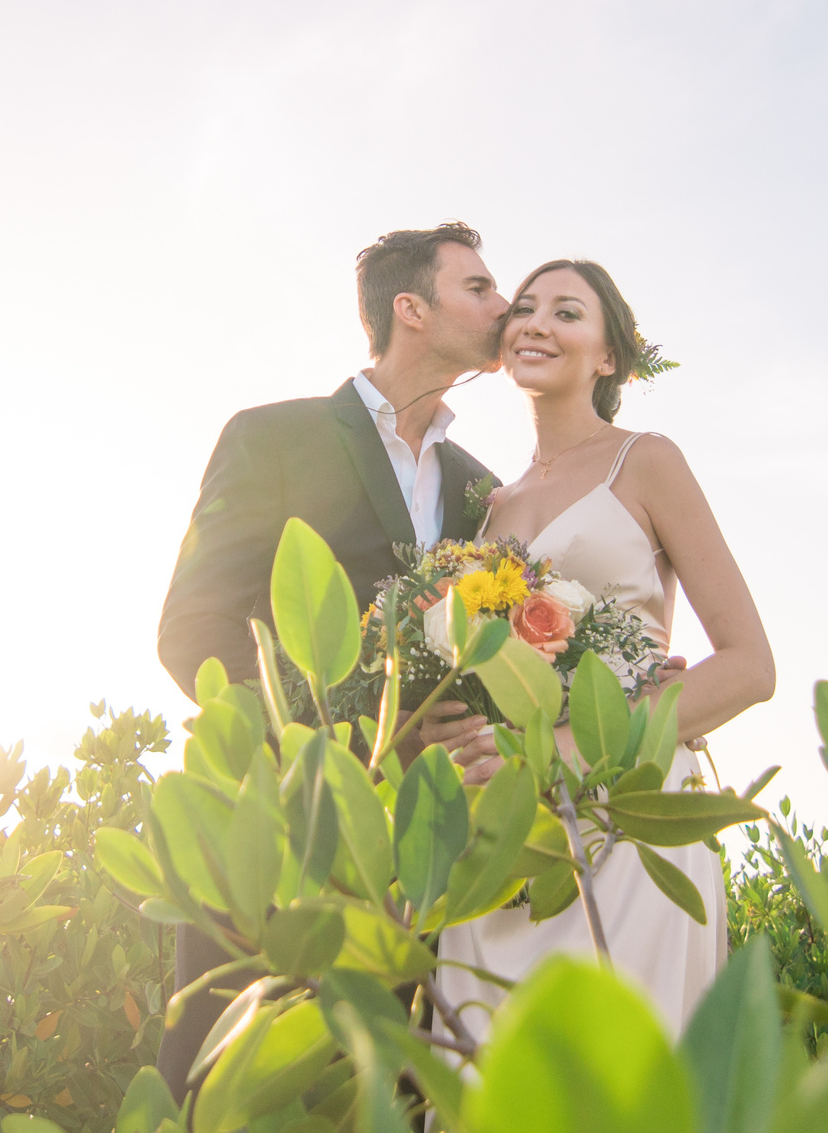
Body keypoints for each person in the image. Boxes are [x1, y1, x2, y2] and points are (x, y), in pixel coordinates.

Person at [154, 222, 506, 1099]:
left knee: (387, 1099)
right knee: (237, 1096)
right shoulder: (273, 437)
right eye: (481, 288)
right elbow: (193, 628)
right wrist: (355, 742)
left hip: (422, 872)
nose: (506, 309)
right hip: (287, 833)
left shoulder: (483, 487)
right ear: (411, 310)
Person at [420, 258, 776, 1039]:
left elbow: (751, 668)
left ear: (609, 356)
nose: (537, 323)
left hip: (629, 813)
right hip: (511, 834)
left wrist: (570, 746)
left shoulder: (646, 461)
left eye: (568, 312)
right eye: (526, 308)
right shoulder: (488, 505)